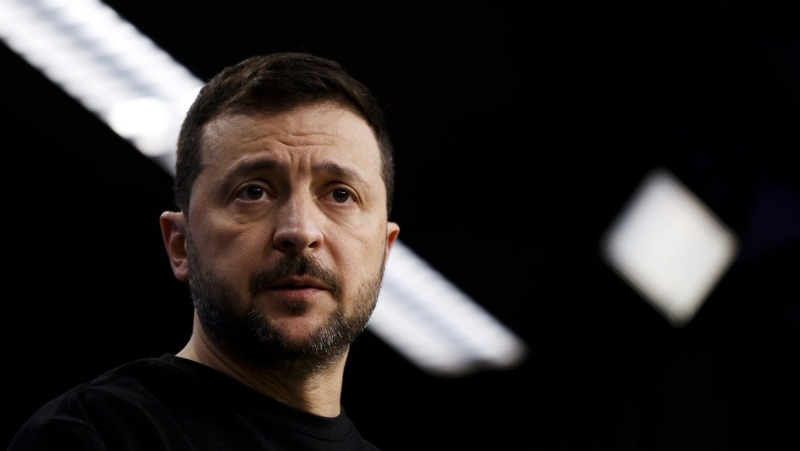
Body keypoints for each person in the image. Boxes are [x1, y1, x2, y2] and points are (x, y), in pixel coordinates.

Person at [7, 52, 400, 451]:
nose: (299, 231)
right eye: (253, 192)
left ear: (385, 251)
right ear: (180, 244)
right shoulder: (95, 435)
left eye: (340, 194)